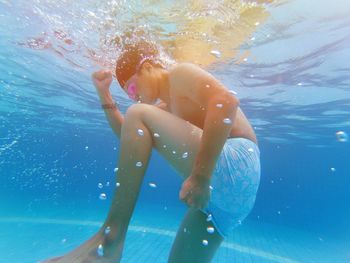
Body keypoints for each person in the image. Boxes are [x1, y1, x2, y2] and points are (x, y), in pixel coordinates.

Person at [42, 39, 261, 263]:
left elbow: (226, 102)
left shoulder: (180, 73)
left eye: (132, 88)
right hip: (226, 207)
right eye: (128, 93)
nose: (133, 96)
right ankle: (109, 242)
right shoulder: (167, 106)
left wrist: (201, 177)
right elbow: (129, 133)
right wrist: (104, 95)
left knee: (138, 112)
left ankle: (110, 239)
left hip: (238, 162)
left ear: (147, 67)